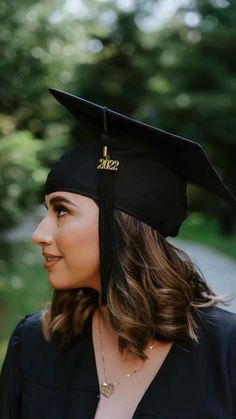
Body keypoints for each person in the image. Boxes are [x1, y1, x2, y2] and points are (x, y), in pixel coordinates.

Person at [0, 88, 236, 419]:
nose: (39, 234)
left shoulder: (226, 352)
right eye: (46, 211)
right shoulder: (35, 344)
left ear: (121, 224)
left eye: (62, 211)